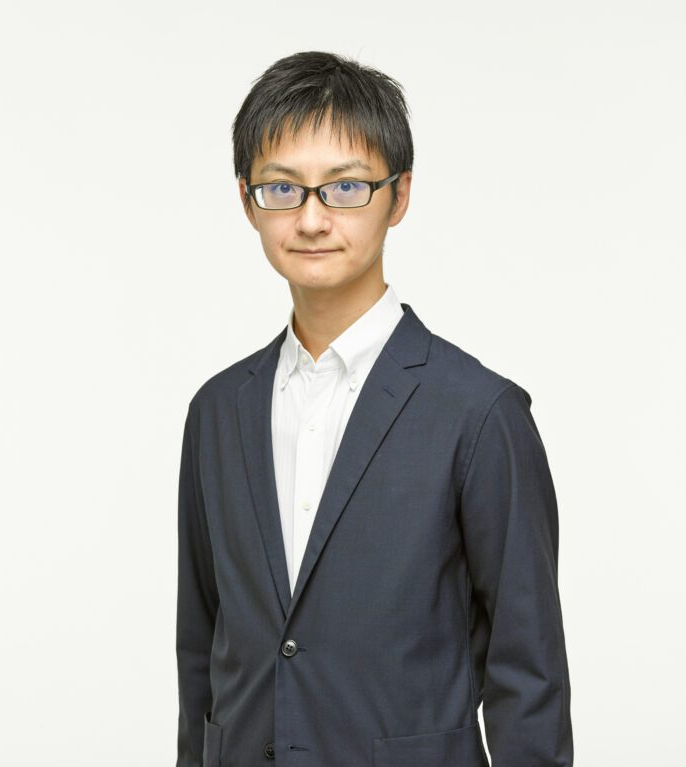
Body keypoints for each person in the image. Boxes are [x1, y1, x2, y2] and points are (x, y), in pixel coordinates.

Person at [176, 50, 574, 767]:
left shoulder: (480, 413)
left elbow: (529, 676)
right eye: (282, 188)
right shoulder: (217, 412)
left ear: (400, 195)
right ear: (246, 200)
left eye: (346, 187)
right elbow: (201, 651)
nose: (312, 218)